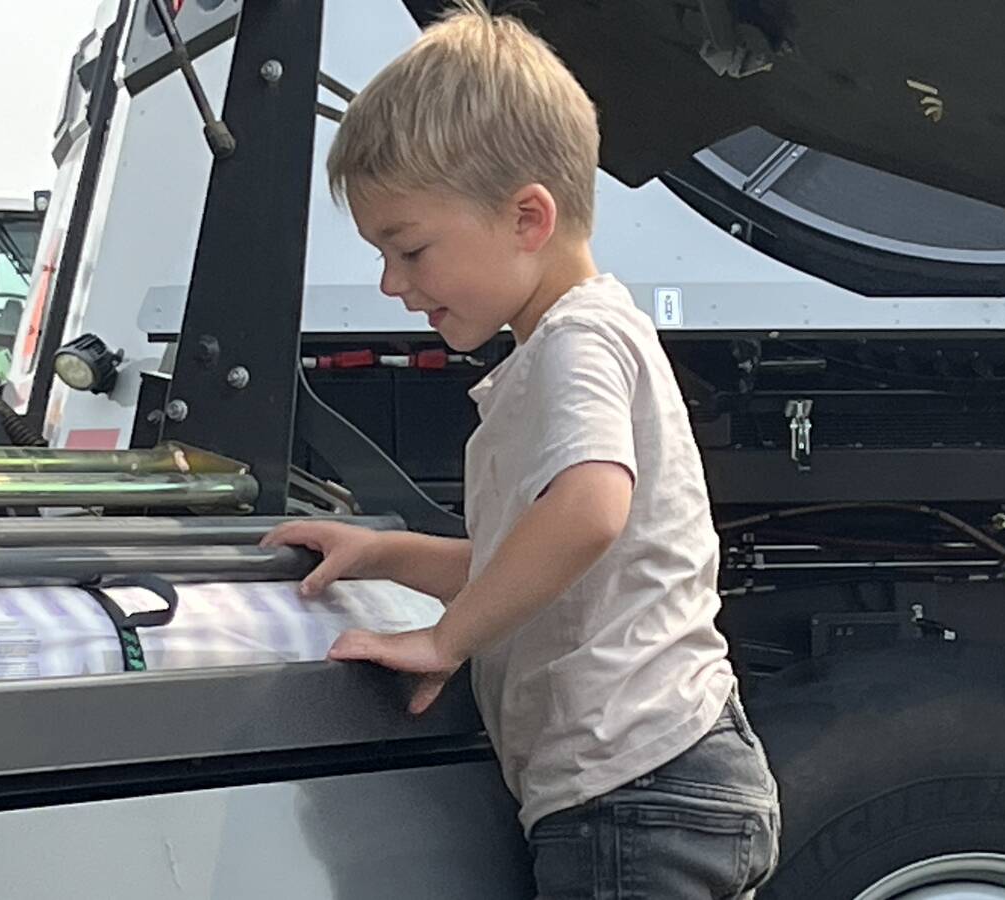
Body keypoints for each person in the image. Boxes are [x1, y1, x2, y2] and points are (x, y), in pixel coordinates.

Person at [263, 2, 780, 895]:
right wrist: (383, 554)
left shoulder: (575, 343)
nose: (392, 283)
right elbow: (539, 563)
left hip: (632, 794)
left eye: (410, 248)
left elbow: (588, 512)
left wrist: (443, 643)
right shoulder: (575, 339)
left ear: (528, 218)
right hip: (663, 777)